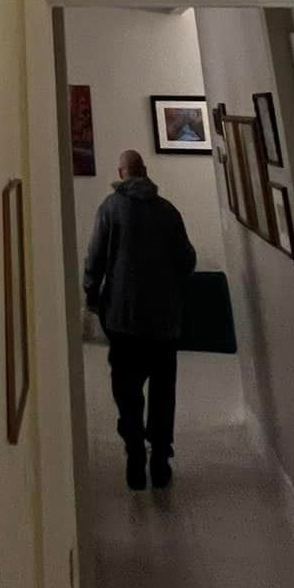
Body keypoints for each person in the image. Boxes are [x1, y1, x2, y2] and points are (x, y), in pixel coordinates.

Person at [83, 148, 196, 489]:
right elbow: (187, 259)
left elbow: (96, 257)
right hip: (163, 320)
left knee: (127, 388)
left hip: (124, 318)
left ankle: (134, 452)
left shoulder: (110, 209)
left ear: (121, 173)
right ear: (144, 171)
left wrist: (91, 295)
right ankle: (160, 460)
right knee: (163, 391)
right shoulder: (168, 211)